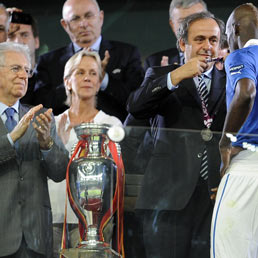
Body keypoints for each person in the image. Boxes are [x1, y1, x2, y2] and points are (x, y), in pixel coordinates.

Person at [127, 11, 226, 258]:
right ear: (183, 44)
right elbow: (136, 107)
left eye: (213, 40)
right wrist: (177, 75)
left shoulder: (230, 81)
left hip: (215, 197)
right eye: (200, 39)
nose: (207, 46)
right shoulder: (161, 76)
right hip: (167, 199)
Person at [47, 49, 122, 257]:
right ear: (67, 81)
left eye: (93, 73)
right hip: (55, 217)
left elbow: (115, 177)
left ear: (99, 83)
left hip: (96, 221)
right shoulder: (52, 123)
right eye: (79, 73)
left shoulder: (111, 125)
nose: (87, 78)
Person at [0, 41, 68, 258]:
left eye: (27, 70)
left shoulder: (41, 117)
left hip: (36, 238)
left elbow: (59, 172)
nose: (24, 75)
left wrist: (47, 143)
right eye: (15, 68)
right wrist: (11, 138)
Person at [33, 0, 144, 122]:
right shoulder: (48, 61)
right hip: (64, 135)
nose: (83, 24)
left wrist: (103, 79)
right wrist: (73, 80)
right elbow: (40, 105)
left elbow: (137, 101)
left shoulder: (127, 53)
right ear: (65, 25)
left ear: (100, 18)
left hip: (116, 134)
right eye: (75, 18)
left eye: (89, 16)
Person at [210, 3, 258, 258]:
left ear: (235, 28)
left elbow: (245, 92)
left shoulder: (241, 56)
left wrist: (225, 142)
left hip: (248, 165)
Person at [144, 0, 207, 71]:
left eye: (196, 20)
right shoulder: (154, 63)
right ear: (172, 25)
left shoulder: (220, 59)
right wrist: (166, 80)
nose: (190, 27)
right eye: (182, 21)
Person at [7, 10, 40, 105]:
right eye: (11, 36)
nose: (17, 42)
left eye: (24, 35)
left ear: (36, 42)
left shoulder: (51, 79)